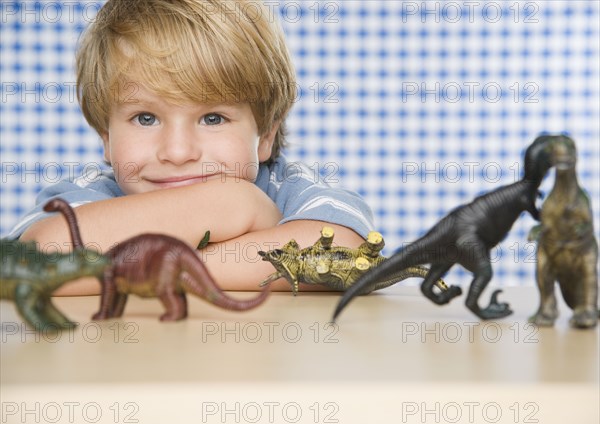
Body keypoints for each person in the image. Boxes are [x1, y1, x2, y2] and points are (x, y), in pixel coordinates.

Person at [8, 0, 374, 294]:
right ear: (106, 137)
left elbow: (351, 255)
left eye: (213, 118)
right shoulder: (93, 196)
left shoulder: (288, 188)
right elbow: (32, 259)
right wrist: (231, 205)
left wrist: (162, 269)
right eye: (146, 118)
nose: (178, 152)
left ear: (264, 136)